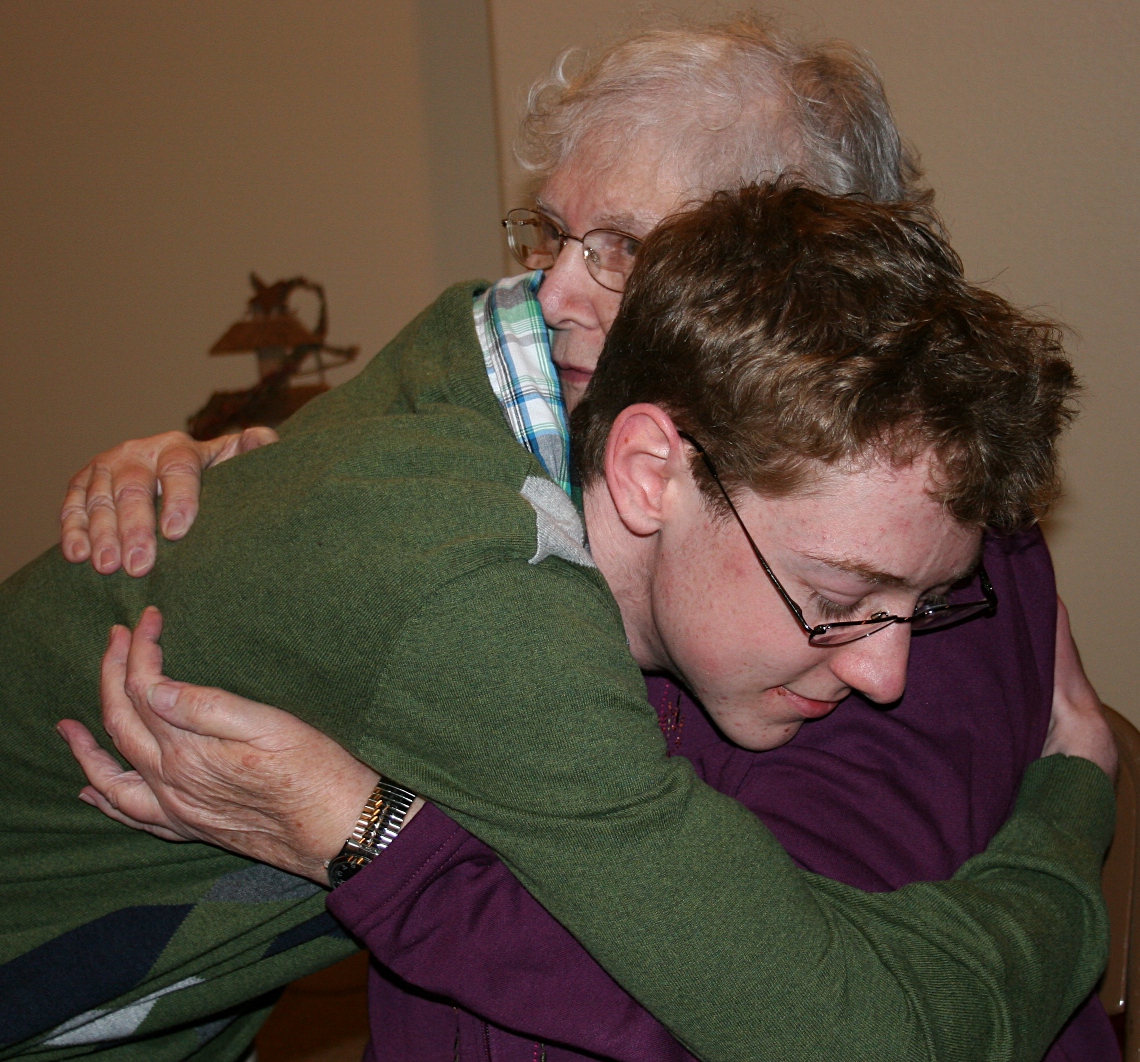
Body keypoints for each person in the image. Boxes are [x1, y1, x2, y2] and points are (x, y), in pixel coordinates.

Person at [45, 18, 1117, 1061]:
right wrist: (247, 475)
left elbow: (808, 1017)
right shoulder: (538, 442)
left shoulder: (909, 568)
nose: (553, 295)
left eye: (629, 250)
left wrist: (367, 837)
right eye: (556, 234)